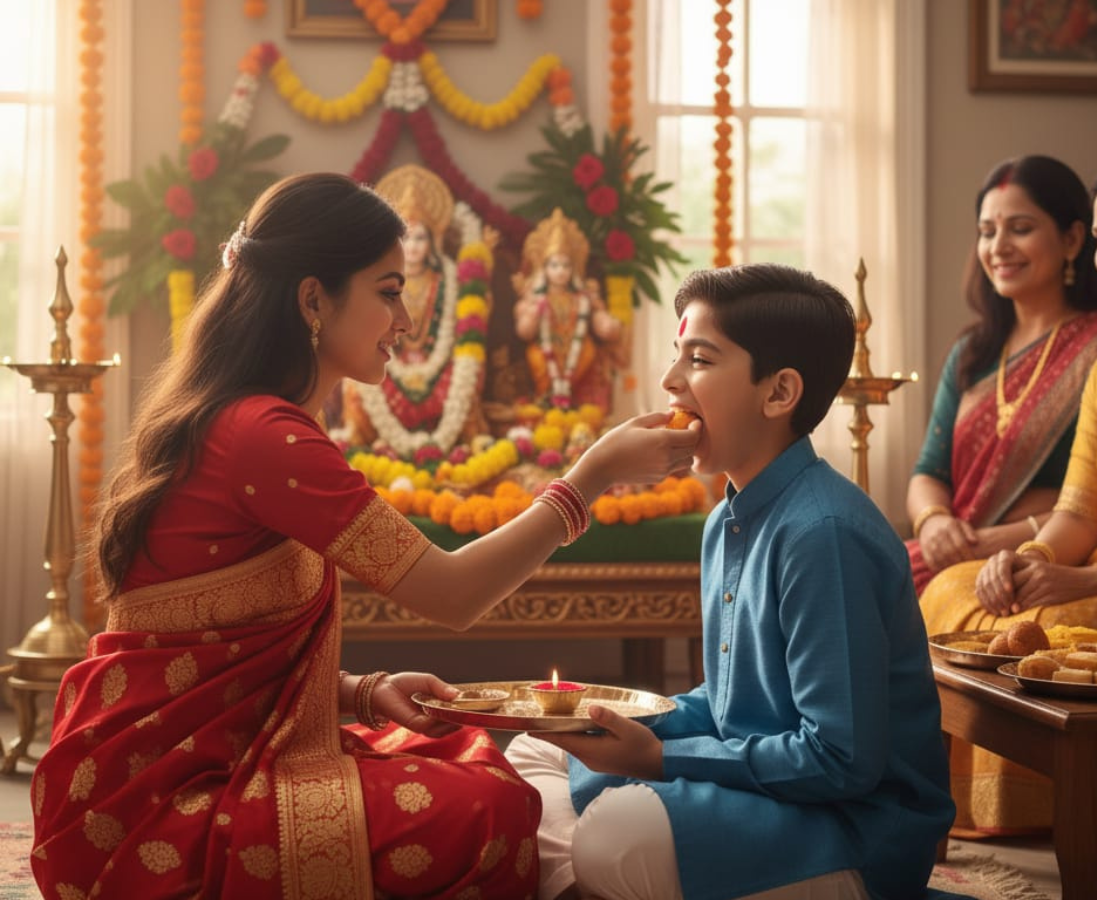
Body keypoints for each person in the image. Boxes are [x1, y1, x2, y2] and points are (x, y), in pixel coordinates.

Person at [29, 173, 700, 899]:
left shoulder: (252, 420)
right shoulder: (264, 436)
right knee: (492, 807)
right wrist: (589, 479)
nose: (406, 321)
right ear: (313, 300)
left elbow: (220, 654)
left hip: (185, 763)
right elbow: (453, 594)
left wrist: (360, 692)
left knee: (471, 754)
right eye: (388, 292)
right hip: (158, 804)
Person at [506, 264, 954, 900]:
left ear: (778, 393)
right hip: (771, 794)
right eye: (676, 356)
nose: (670, 381)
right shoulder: (726, 520)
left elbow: (840, 759)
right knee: (539, 749)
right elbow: (728, 705)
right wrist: (622, 720)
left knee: (615, 835)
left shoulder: (821, 531)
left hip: (852, 831)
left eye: (700, 359)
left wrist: (655, 760)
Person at [922, 146, 1097, 835]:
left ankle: (1043, 812)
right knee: (956, 590)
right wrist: (1033, 562)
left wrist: (1092, 576)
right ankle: (966, 807)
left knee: (1039, 627)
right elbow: (1080, 508)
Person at [907, 155, 1097, 595]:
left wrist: (996, 541)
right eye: (987, 231)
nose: (999, 247)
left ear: (1071, 239)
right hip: (949, 551)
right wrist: (934, 522)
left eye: (1021, 228)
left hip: (1045, 559)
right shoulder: (973, 351)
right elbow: (928, 471)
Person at [338, 163, 491, 456]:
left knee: (469, 370)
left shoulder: (448, 276)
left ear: (433, 240)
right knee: (355, 383)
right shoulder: (377, 280)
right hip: (389, 362)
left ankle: (465, 439)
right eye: (406, 238)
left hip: (441, 365)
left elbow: (465, 329)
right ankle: (361, 440)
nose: (414, 247)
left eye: (420, 237)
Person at [514, 208, 625, 412]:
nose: (560, 271)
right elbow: (524, 332)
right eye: (554, 265)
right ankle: (546, 401)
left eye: (566, 266)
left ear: (573, 269)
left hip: (577, 353)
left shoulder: (582, 298)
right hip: (546, 353)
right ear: (544, 268)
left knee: (589, 351)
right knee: (536, 357)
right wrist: (534, 310)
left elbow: (604, 326)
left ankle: (577, 405)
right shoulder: (534, 299)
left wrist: (610, 324)